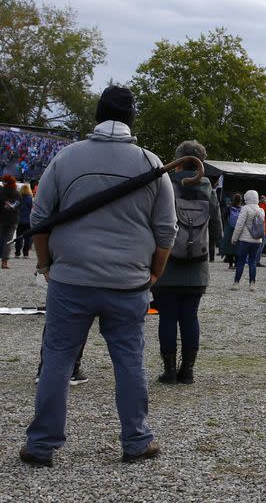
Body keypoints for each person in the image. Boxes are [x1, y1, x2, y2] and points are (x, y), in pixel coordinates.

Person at [20, 85, 177, 467]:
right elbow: (166, 231)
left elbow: (40, 219)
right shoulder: (151, 163)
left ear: (97, 114)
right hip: (128, 281)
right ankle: (137, 440)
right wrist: (154, 273)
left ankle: (42, 445)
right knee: (128, 360)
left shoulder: (67, 158)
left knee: (57, 358)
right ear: (131, 118)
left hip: (71, 277)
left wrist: (46, 265)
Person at [151, 140, 222, 385]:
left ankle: (169, 371)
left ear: (179, 160)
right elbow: (218, 232)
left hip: (166, 264)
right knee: (190, 316)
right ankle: (188, 371)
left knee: (168, 316)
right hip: (197, 268)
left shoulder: (166, 186)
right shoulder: (209, 190)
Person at [231, 189, 265, 291]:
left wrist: (234, 238)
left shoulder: (245, 208)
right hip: (257, 240)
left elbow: (239, 225)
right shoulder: (261, 210)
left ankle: (236, 283)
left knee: (241, 261)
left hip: (245, 240)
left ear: (246, 198)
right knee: (252, 261)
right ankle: (252, 284)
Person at [0, 174, 22, 269]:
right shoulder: (17, 193)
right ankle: (4, 262)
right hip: (13, 219)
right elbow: (19, 204)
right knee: (8, 240)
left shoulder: (1, 191)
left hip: (1, 219)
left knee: (1, 238)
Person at [219, 193, 242, 269]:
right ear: (240, 200)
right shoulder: (242, 209)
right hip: (238, 229)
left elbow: (224, 217)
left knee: (229, 247)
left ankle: (230, 264)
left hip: (229, 229)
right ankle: (236, 264)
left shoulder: (229, 208)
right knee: (237, 247)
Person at [14, 183, 34, 258]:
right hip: (28, 221)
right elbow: (32, 209)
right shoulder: (30, 199)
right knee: (27, 238)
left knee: (18, 237)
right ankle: (25, 254)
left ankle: (17, 253)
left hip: (19, 220)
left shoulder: (18, 198)